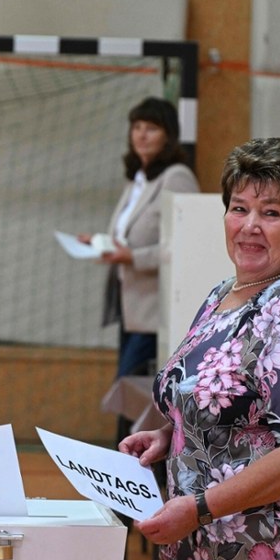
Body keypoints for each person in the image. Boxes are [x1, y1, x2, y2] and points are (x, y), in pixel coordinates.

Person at [120, 137, 280, 560]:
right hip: (209, 549)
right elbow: (241, 411)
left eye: (271, 213)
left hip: (273, 550)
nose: (249, 226)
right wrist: (174, 436)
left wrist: (199, 508)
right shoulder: (225, 293)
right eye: (239, 208)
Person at [79, 97, 199, 442]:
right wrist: (100, 242)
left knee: (134, 391)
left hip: (155, 310)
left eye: (151, 128)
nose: (142, 135)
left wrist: (131, 257)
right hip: (129, 304)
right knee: (130, 390)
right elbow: (127, 236)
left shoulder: (177, 177)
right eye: (137, 127)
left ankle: (137, 470)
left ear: (168, 136)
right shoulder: (138, 179)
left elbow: (185, 245)